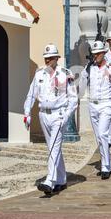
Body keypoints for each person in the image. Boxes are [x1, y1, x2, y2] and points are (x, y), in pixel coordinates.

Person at [23, 44, 78, 195]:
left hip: (58, 114)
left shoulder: (65, 74)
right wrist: (27, 112)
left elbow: (73, 99)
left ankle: (50, 181)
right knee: (53, 147)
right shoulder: (39, 74)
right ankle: (61, 179)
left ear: (56, 58)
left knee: (54, 146)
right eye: (45, 58)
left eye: (50, 58)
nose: (47, 61)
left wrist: (66, 115)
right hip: (43, 114)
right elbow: (31, 94)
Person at [79, 40, 111, 180]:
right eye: (94, 53)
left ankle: (106, 166)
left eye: (98, 53)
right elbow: (82, 85)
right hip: (93, 105)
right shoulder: (90, 68)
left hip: (106, 104)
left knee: (103, 134)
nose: (95, 56)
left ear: (103, 53)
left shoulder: (110, 67)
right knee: (99, 137)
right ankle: (104, 162)